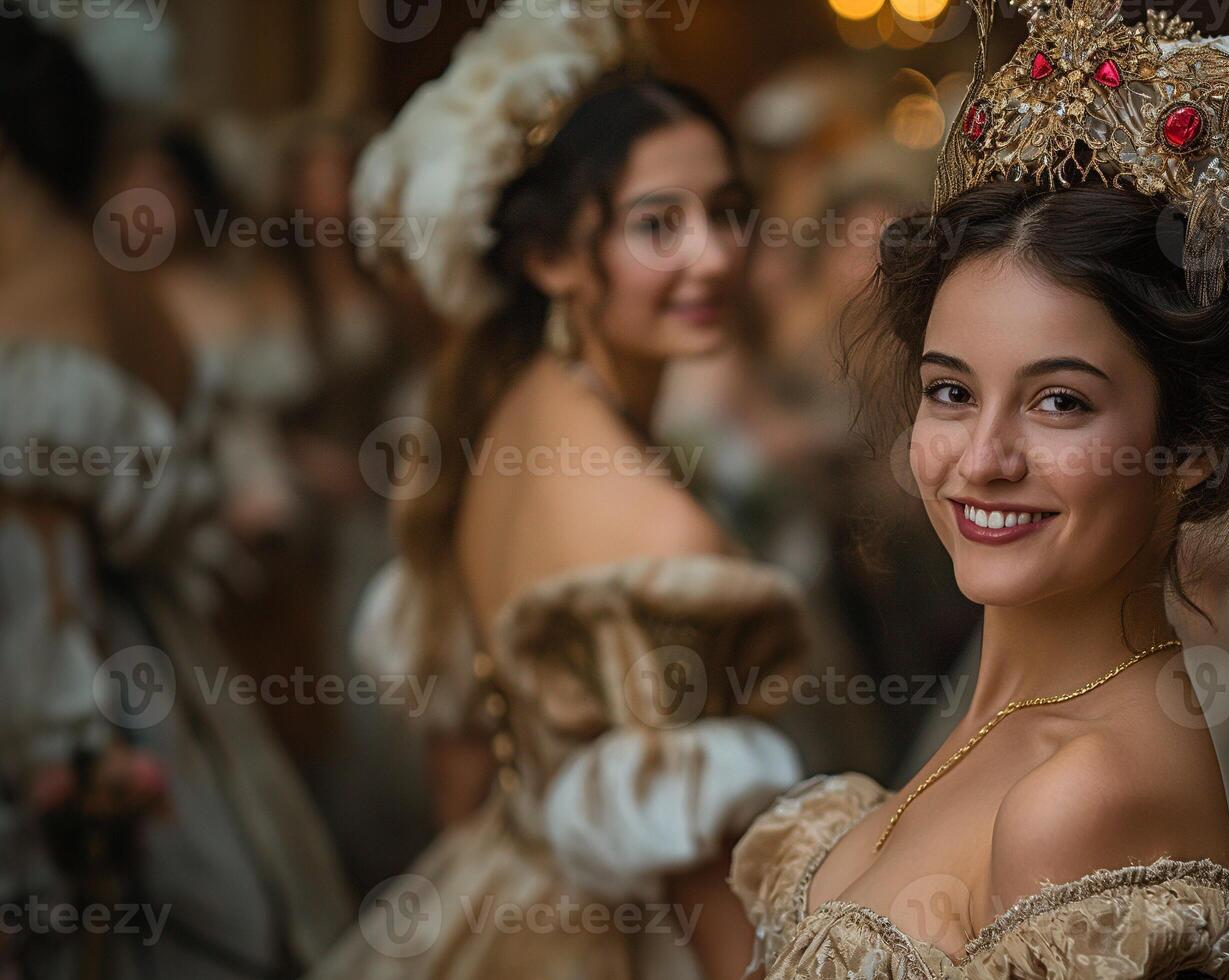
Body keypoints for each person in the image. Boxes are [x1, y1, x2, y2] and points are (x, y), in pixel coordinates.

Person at [729, 0, 1229, 975]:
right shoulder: (1015, 725)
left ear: (1192, 441)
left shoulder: (1085, 792)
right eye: (951, 390)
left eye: (1059, 402)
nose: (982, 457)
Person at [306, 3, 807, 978]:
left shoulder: (495, 420)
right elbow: (706, 897)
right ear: (553, 258)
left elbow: (460, 766)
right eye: (659, 223)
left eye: (728, 210)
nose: (712, 253)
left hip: (494, 896)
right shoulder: (663, 535)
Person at [0, 11, 353, 980]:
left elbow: (46, 628)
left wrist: (70, 770)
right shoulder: (88, 267)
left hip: (84, 700)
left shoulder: (46, 280)